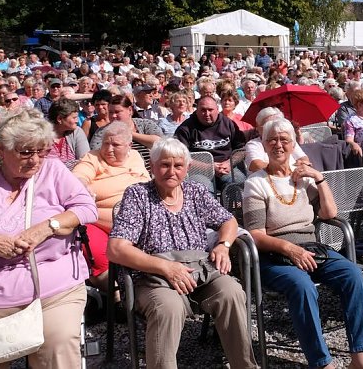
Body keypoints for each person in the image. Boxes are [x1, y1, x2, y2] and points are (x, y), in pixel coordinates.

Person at [0, 109, 98, 368]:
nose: (35, 160)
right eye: (25, 152)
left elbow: (86, 208)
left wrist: (48, 226)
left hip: (53, 291)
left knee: (58, 346)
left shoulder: (53, 170)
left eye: (42, 151)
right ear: (0, 149)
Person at [107, 138, 257, 369]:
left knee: (232, 292)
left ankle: (244, 365)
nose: (171, 171)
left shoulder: (195, 191)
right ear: (152, 167)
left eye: (178, 165)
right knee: (168, 307)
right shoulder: (138, 196)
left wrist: (223, 246)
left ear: (187, 169)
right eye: (164, 164)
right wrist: (167, 268)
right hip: (153, 277)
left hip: (199, 271)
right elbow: (116, 248)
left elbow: (228, 220)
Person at [241, 118, 363, 369]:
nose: (278, 145)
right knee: (302, 286)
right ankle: (321, 362)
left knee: (352, 274)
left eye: (284, 140)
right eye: (272, 140)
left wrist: (320, 179)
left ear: (294, 144)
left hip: (311, 249)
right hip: (274, 255)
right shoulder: (256, 183)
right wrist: (290, 249)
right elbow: (256, 235)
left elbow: (329, 213)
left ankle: (360, 356)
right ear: (264, 144)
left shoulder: (303, 178)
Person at [71, 121, 151, 289]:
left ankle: (144, 288)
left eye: (115, 145)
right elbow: (79, 176)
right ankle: (114, 296)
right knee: (96, 255)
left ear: (129, 146)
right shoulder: (93, 157)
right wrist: (83, 186)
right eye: (106, 143)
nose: (108, 149)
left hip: (140, 224)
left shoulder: (136, 157)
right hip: (100, 223)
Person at [173, 96, 247, 193]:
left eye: (210, 110)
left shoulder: (228, 124)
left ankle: (234, 208)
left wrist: (229, 163)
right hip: (199, 171)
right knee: (202, 189)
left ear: (217, 109)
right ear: (197, 110)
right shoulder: (185, 128)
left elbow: (241, 149)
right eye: (203, 110)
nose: (207, 114)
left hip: (226, 167)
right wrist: (209, 167)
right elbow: (180, 156)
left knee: (238, 183)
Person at [89, 94, 163, 151]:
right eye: (111, 112)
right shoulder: (102, 132)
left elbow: (160, 142)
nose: (113, 116)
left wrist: (130, 133)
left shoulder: (145, 124)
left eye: (117, 112)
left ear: (130, 110)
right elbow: (95, 152)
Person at [47, 98, 90, 165]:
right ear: (59, 119)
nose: (77, 121)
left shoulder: (77, 132)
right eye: (74, 118)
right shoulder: (42, 136)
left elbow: (85, 160)